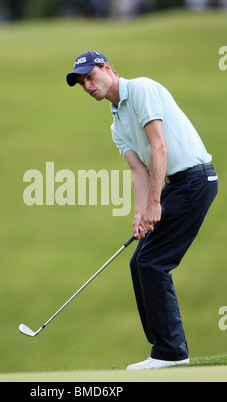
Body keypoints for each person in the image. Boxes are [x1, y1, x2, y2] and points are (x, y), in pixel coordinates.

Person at [66, 51, 218, 370]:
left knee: (152, 261)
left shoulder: (142, 89)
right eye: (82, 84)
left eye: (90, 76)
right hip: (177, 185)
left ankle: (172, 352)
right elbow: (139, 170)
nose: (88, 85)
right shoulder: (116, 123)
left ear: (107, 68)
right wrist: (140, 213)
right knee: (140, 261)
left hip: (195, 180)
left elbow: (158, 147)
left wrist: (154, 204)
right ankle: (164, 349)